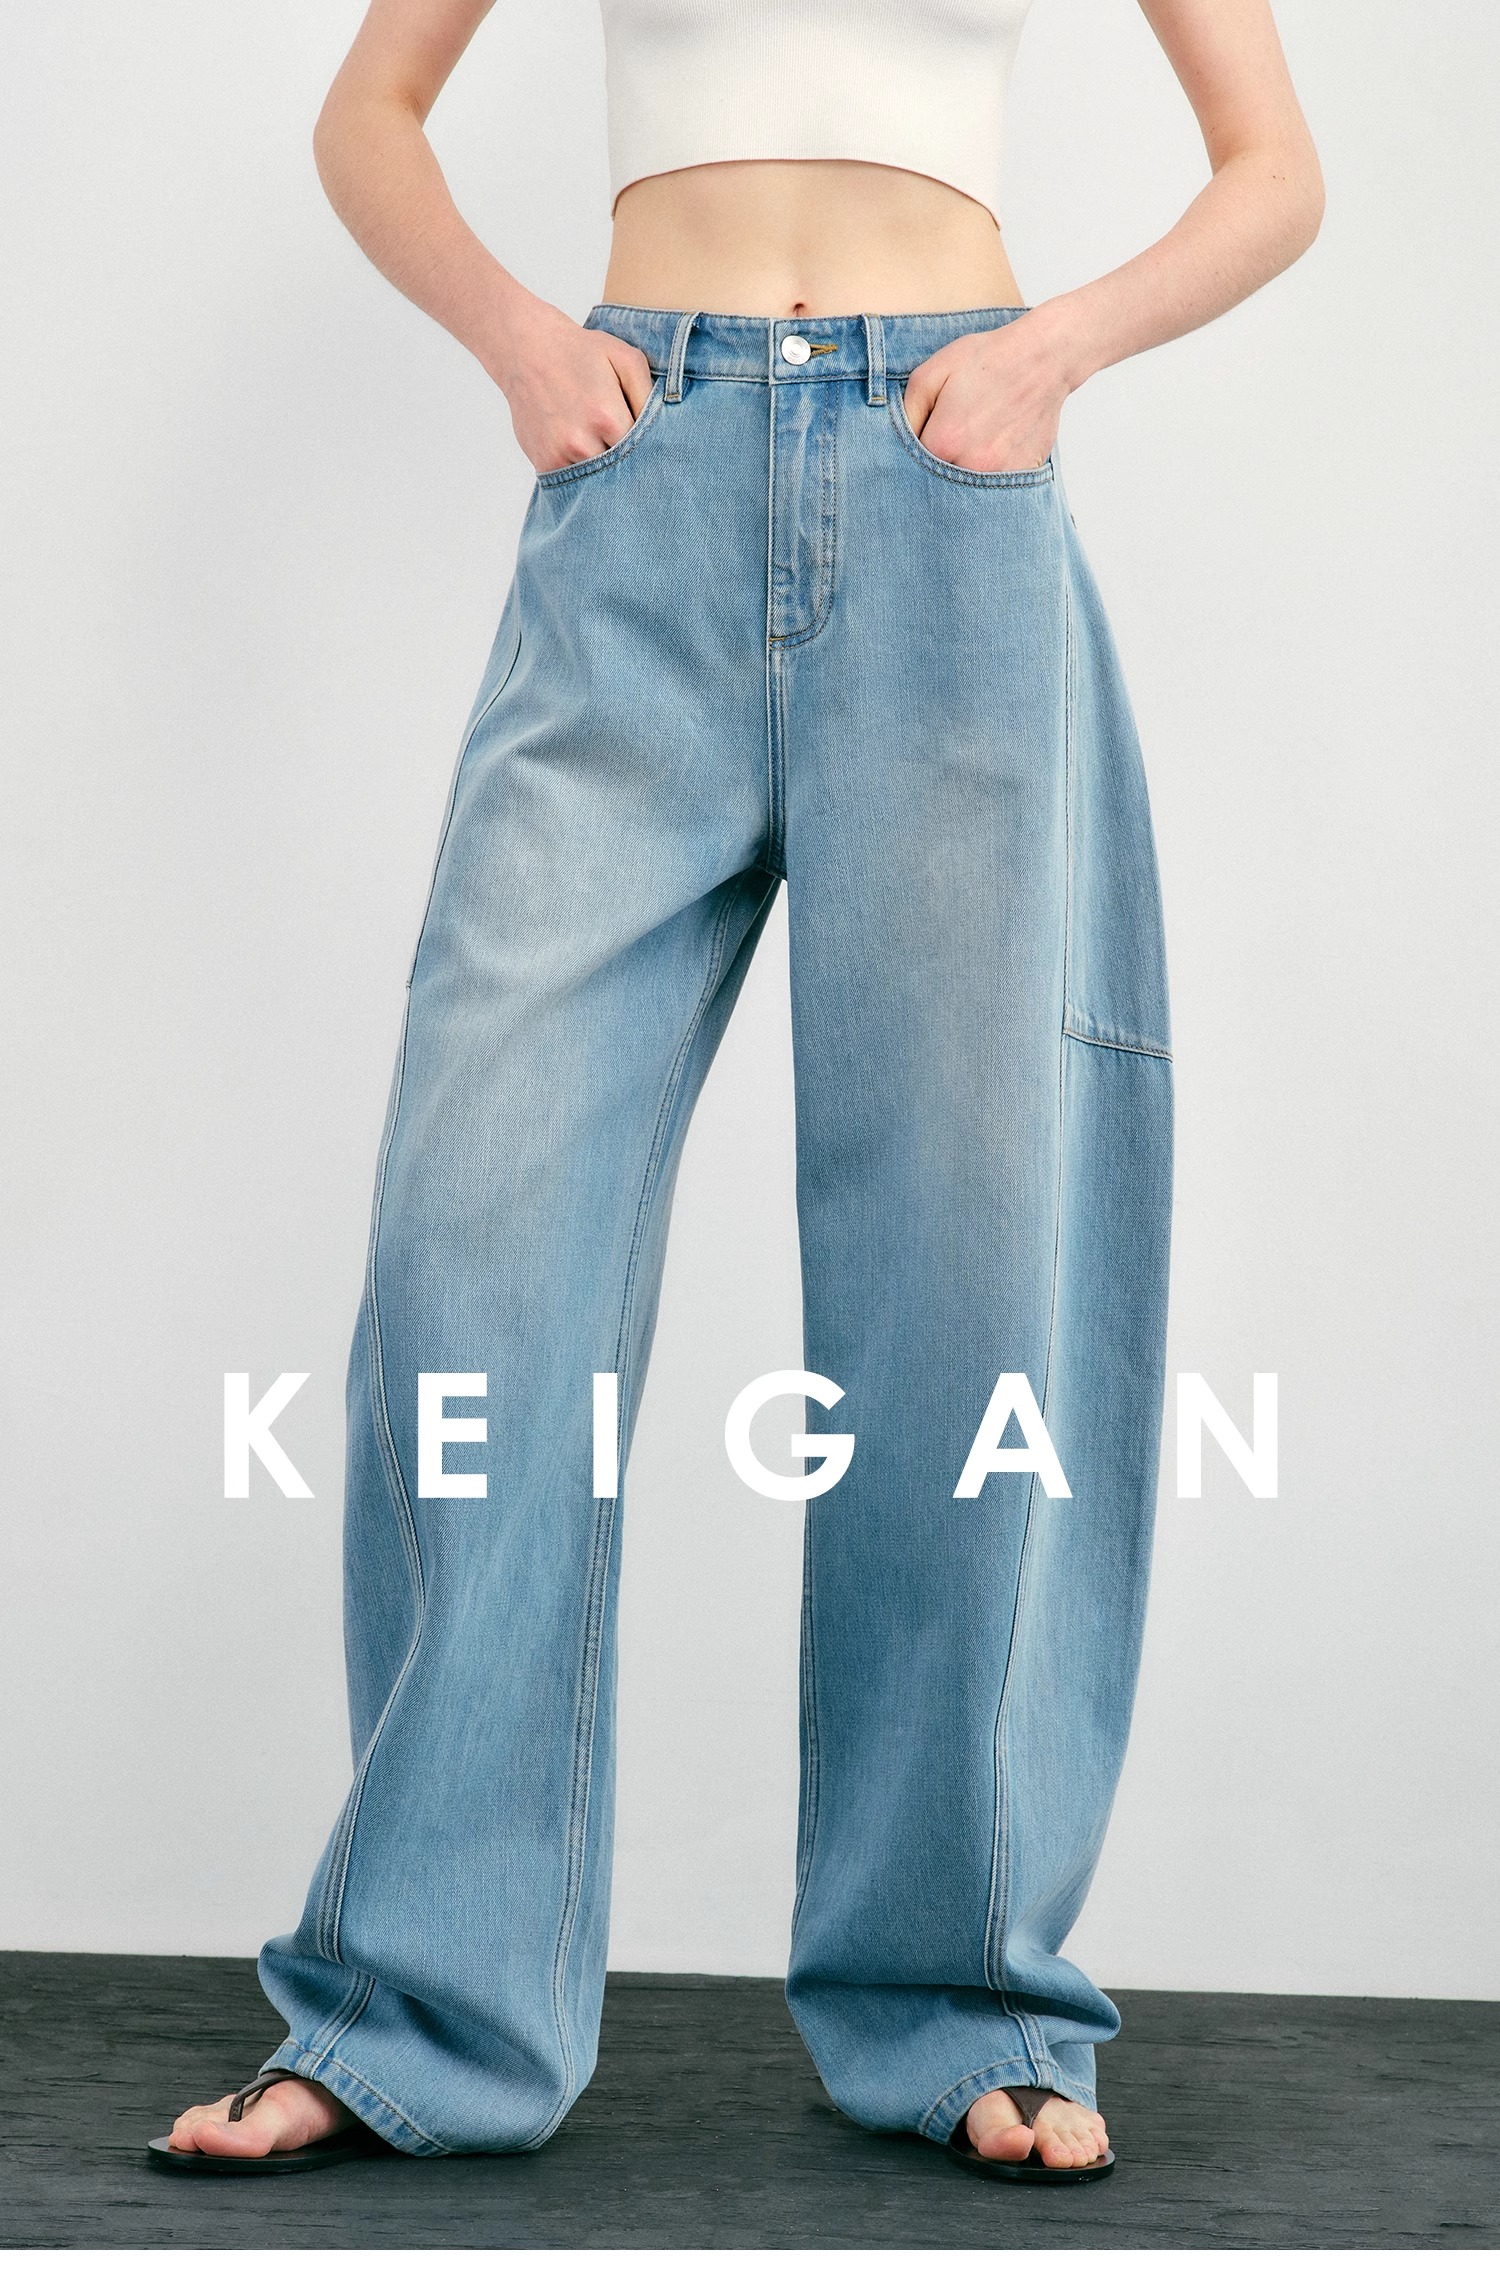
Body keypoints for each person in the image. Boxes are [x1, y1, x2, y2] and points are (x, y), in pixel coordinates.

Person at [158, 0, 1322, 2180]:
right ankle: (418, 2006)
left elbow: (1276, 170)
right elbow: (371, 110)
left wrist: (1053, 352)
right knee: (477, 1237)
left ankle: (964, 1994)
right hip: (640, 479)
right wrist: (518, 335)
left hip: (952, 473)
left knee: (967, 1271)